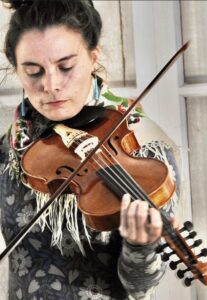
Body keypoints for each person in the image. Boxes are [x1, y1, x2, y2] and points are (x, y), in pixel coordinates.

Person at [0, 0, 180, 299]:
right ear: (18, 71)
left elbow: (140, 288)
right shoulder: (11, 149)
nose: (51, 84)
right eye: (33, 71)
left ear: (93, 58)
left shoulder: (142, 146)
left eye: (66, 67)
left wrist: (140, 246)